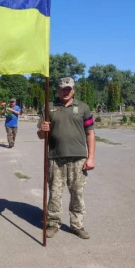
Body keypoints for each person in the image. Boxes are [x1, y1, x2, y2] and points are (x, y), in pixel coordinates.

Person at [37, 77, 96, 239]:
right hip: (55, 158)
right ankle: (53, 223)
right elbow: (41, 135)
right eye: (62, 88)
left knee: (77, 192)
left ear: (73, 90)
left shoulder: (83, 108)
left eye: (68, 89)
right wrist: (43, 130)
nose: (65, 91)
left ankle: (77, 225)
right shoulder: (49, 107)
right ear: (57, 90)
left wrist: (91, 157)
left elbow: (90, 133)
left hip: (78, 159)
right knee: (54, 193)